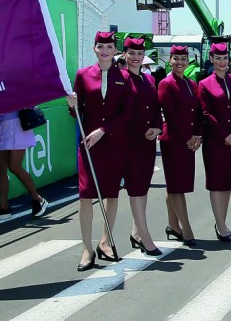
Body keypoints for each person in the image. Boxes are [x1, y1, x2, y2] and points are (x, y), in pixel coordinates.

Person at [66, 31, 132, 271]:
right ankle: (87, 248)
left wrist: (104, 130)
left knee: (111, 192)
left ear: (115, 51)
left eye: (109, 47)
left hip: (113, 142)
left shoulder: (123, 77)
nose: (104, 50)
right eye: (100, 46)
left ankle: (106, 241)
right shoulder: (83, 75)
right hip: (88, 145)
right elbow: (78, 112)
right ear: (94, 49)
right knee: (85, 194)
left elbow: (127, 113)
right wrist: (72, 105)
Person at [197, 43, 231, 243]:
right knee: (216, 184)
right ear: (211, 59)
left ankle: (223, 223)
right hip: (216, 142)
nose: (221, 62)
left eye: (225, 58)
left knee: (227, 183)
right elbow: (206, 113)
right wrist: (224, 134)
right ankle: (220, 225)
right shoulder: (204, 84)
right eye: (217, 58)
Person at [158, 46, 205, 246]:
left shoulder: (190, 83)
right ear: (170, 60)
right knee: (177, 187)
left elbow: (198, 112)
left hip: (188, 140)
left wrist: (197, 136)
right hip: (174, 141)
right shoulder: (166, 84)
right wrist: (188, 138)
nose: (180, 62)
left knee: (176, 185)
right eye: (176, 58)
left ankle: (173, 225)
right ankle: (186, 229)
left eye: (183, 59)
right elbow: (171, 115)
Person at [121, 37, 164, 256]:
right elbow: (120, 114)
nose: (136, 58)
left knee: (143, 188)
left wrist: (158, 128)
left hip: (148, 143)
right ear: (124, 54)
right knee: (136, 189)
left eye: (139, 54)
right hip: (129, 143)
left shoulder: (149, 80)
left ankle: (136, 232)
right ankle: (145, 237)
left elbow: (156, 108)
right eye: (132, 53)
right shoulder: (120, 79)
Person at [0, 110, 49, 221]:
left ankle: (38, 199)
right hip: (3, 125)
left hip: (18, 124)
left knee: (14, 166)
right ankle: (4, 208)